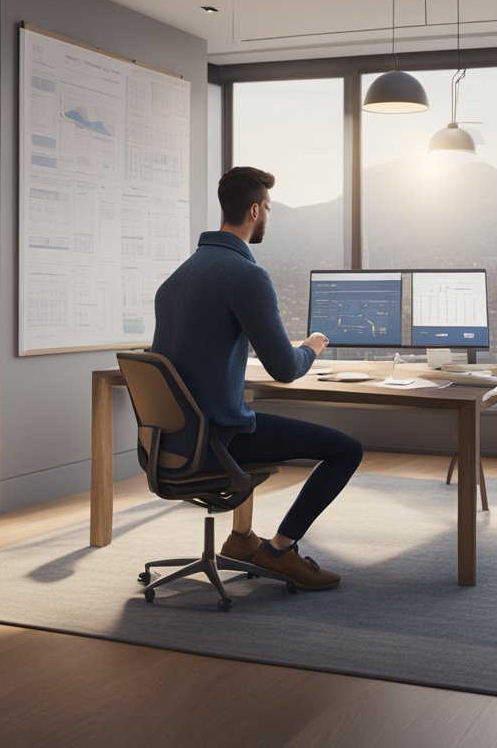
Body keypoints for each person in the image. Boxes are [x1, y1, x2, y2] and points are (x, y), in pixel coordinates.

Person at [150, 166, 363, 591]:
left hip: (171, 446)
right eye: (268, 207)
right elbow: (284, 369)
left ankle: (241, 538)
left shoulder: (177, 278)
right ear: (254, 210)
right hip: (218, 440)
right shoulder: (246, 275)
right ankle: (280, 549)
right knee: (346, 450)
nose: (268, 215)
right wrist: (313, 347)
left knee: (252, 413)